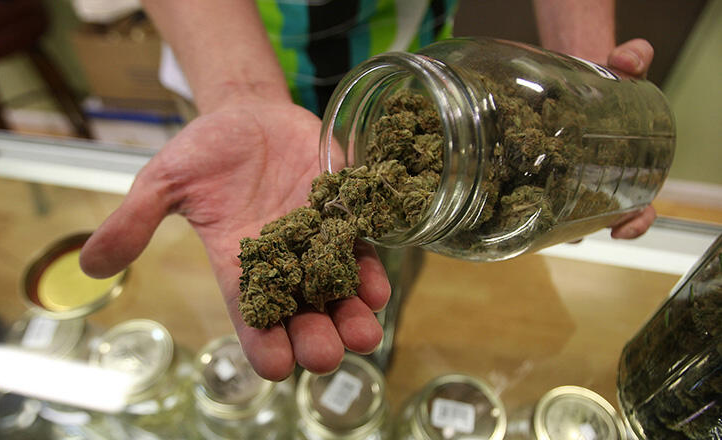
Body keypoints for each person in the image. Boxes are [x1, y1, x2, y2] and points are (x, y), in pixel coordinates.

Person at [79, 0, 658, 381]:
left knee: (396, 264)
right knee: (340, 302)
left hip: (419, 72)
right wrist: (239, 92)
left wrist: (585, 90)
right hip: (224, 61)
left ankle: (377, 350)